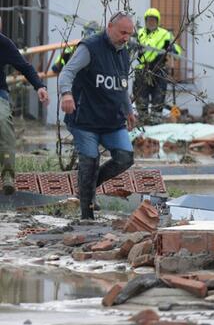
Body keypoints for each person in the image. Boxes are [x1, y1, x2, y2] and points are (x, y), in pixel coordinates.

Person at [59, 12, 137, 220]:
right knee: (90, 160)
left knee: (125, 157)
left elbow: (121, 86)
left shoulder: (123, 53)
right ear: (110, 27)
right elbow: (67, 72)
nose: (125, 38)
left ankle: (88, 187)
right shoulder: (89, 47)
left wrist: (128, 110)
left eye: (129, 34)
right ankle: (87, 216)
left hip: (112, 120)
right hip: (84, 119)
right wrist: (66, 93)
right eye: (122, 32)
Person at [0, 18, 50, 194]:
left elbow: (26, 67)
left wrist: (40, 87)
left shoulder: (4, 44)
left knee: (3, 123)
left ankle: (8, 175)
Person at [132, 8, 181, 120]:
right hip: (142, 70)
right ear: (145, 21)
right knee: (141, 98)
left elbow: (177, 51)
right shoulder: (139, 33)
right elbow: (128, 48)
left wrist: (172, 49)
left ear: (157, 21)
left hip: (159, 70)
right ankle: (143, 120)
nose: (151, 22)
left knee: (158, 98)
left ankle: (155, 121)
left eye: (153, 20)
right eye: (149, 20)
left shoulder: (165, 34)